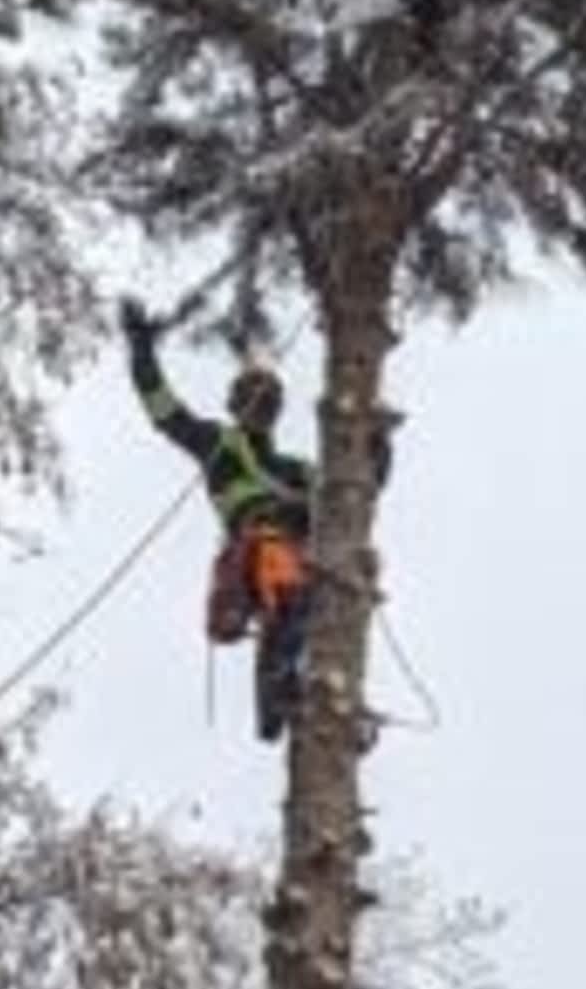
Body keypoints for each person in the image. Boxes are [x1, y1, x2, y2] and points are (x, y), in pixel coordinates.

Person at [118, 297, 393, 741]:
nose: (261, 406)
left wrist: (376, 445)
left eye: (268, 400)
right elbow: (165, 413)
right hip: (260, 544)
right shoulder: (220, 444)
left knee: (314, 611)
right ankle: (278, 697)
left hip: (306, 556)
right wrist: (141, 351)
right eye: (252, 398)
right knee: (287, 594)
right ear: (236, 404)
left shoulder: (297, 470)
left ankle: (317, 701)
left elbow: (358, 490)